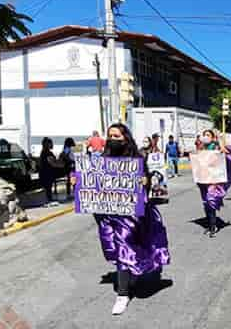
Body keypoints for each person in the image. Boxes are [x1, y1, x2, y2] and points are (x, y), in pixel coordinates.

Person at [73, 123, 170, 315]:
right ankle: (128, 276)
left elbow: (149, 181)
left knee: (124, 245)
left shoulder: (136, 159)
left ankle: (122, 294)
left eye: (117, 136)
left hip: (130, 215)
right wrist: (77, 180)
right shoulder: (100, 159)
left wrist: (145, 181)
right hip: (107, 213)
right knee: (116, 248)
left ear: (125, 138)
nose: (113, 139)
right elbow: (91, 181)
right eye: (110, 136)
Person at [197, 129, 230, 237]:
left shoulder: (215, 146)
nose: (205, 137)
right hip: (203, 180)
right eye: (204, 135)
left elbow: (223, 151)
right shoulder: (202, 147)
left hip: (213, 180)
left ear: (212, 137)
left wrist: (219, 139)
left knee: (211, 201)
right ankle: (209, 224)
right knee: (206, 203)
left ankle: (213, 226)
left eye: (208, 135)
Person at [38, 138, 64, 207]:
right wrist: (61, 165)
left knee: (48, 188)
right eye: (51, 143)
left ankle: (48, 199)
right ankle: (49, 200)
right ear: (47, 144)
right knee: (48, 188)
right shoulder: (47, 152)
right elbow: (52, 163)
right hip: (47, 173)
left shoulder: (44, 152)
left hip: (45, 173)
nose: (52, 144)